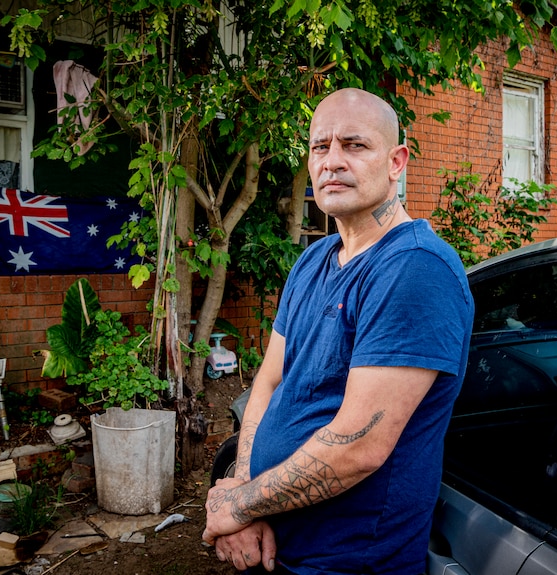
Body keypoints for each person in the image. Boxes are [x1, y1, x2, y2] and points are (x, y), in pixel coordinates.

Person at [203, 88, 474, 574]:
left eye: (354, 145)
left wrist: (239, 506)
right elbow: (269, 381)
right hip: (278, 544)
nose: (332, 162)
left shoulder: (415, 269)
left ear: (396, 162)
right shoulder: (313, 260)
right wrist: (245, 489)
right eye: (319, 147)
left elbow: (358, 447)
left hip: (347, 562)